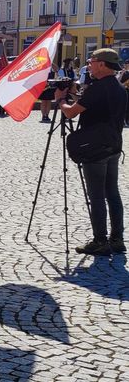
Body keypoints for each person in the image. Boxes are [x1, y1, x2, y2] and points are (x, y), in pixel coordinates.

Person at [56, 48, 127, 256]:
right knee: (112, 194)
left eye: (92, 61)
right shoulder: (118, 87)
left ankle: (99, 241)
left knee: (96, 195)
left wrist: (61, 100)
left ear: (102, 64)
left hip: (95, 149)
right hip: (113, 145)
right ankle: (117, 239)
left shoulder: (98, 87)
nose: (89, 64)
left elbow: (71, 112)